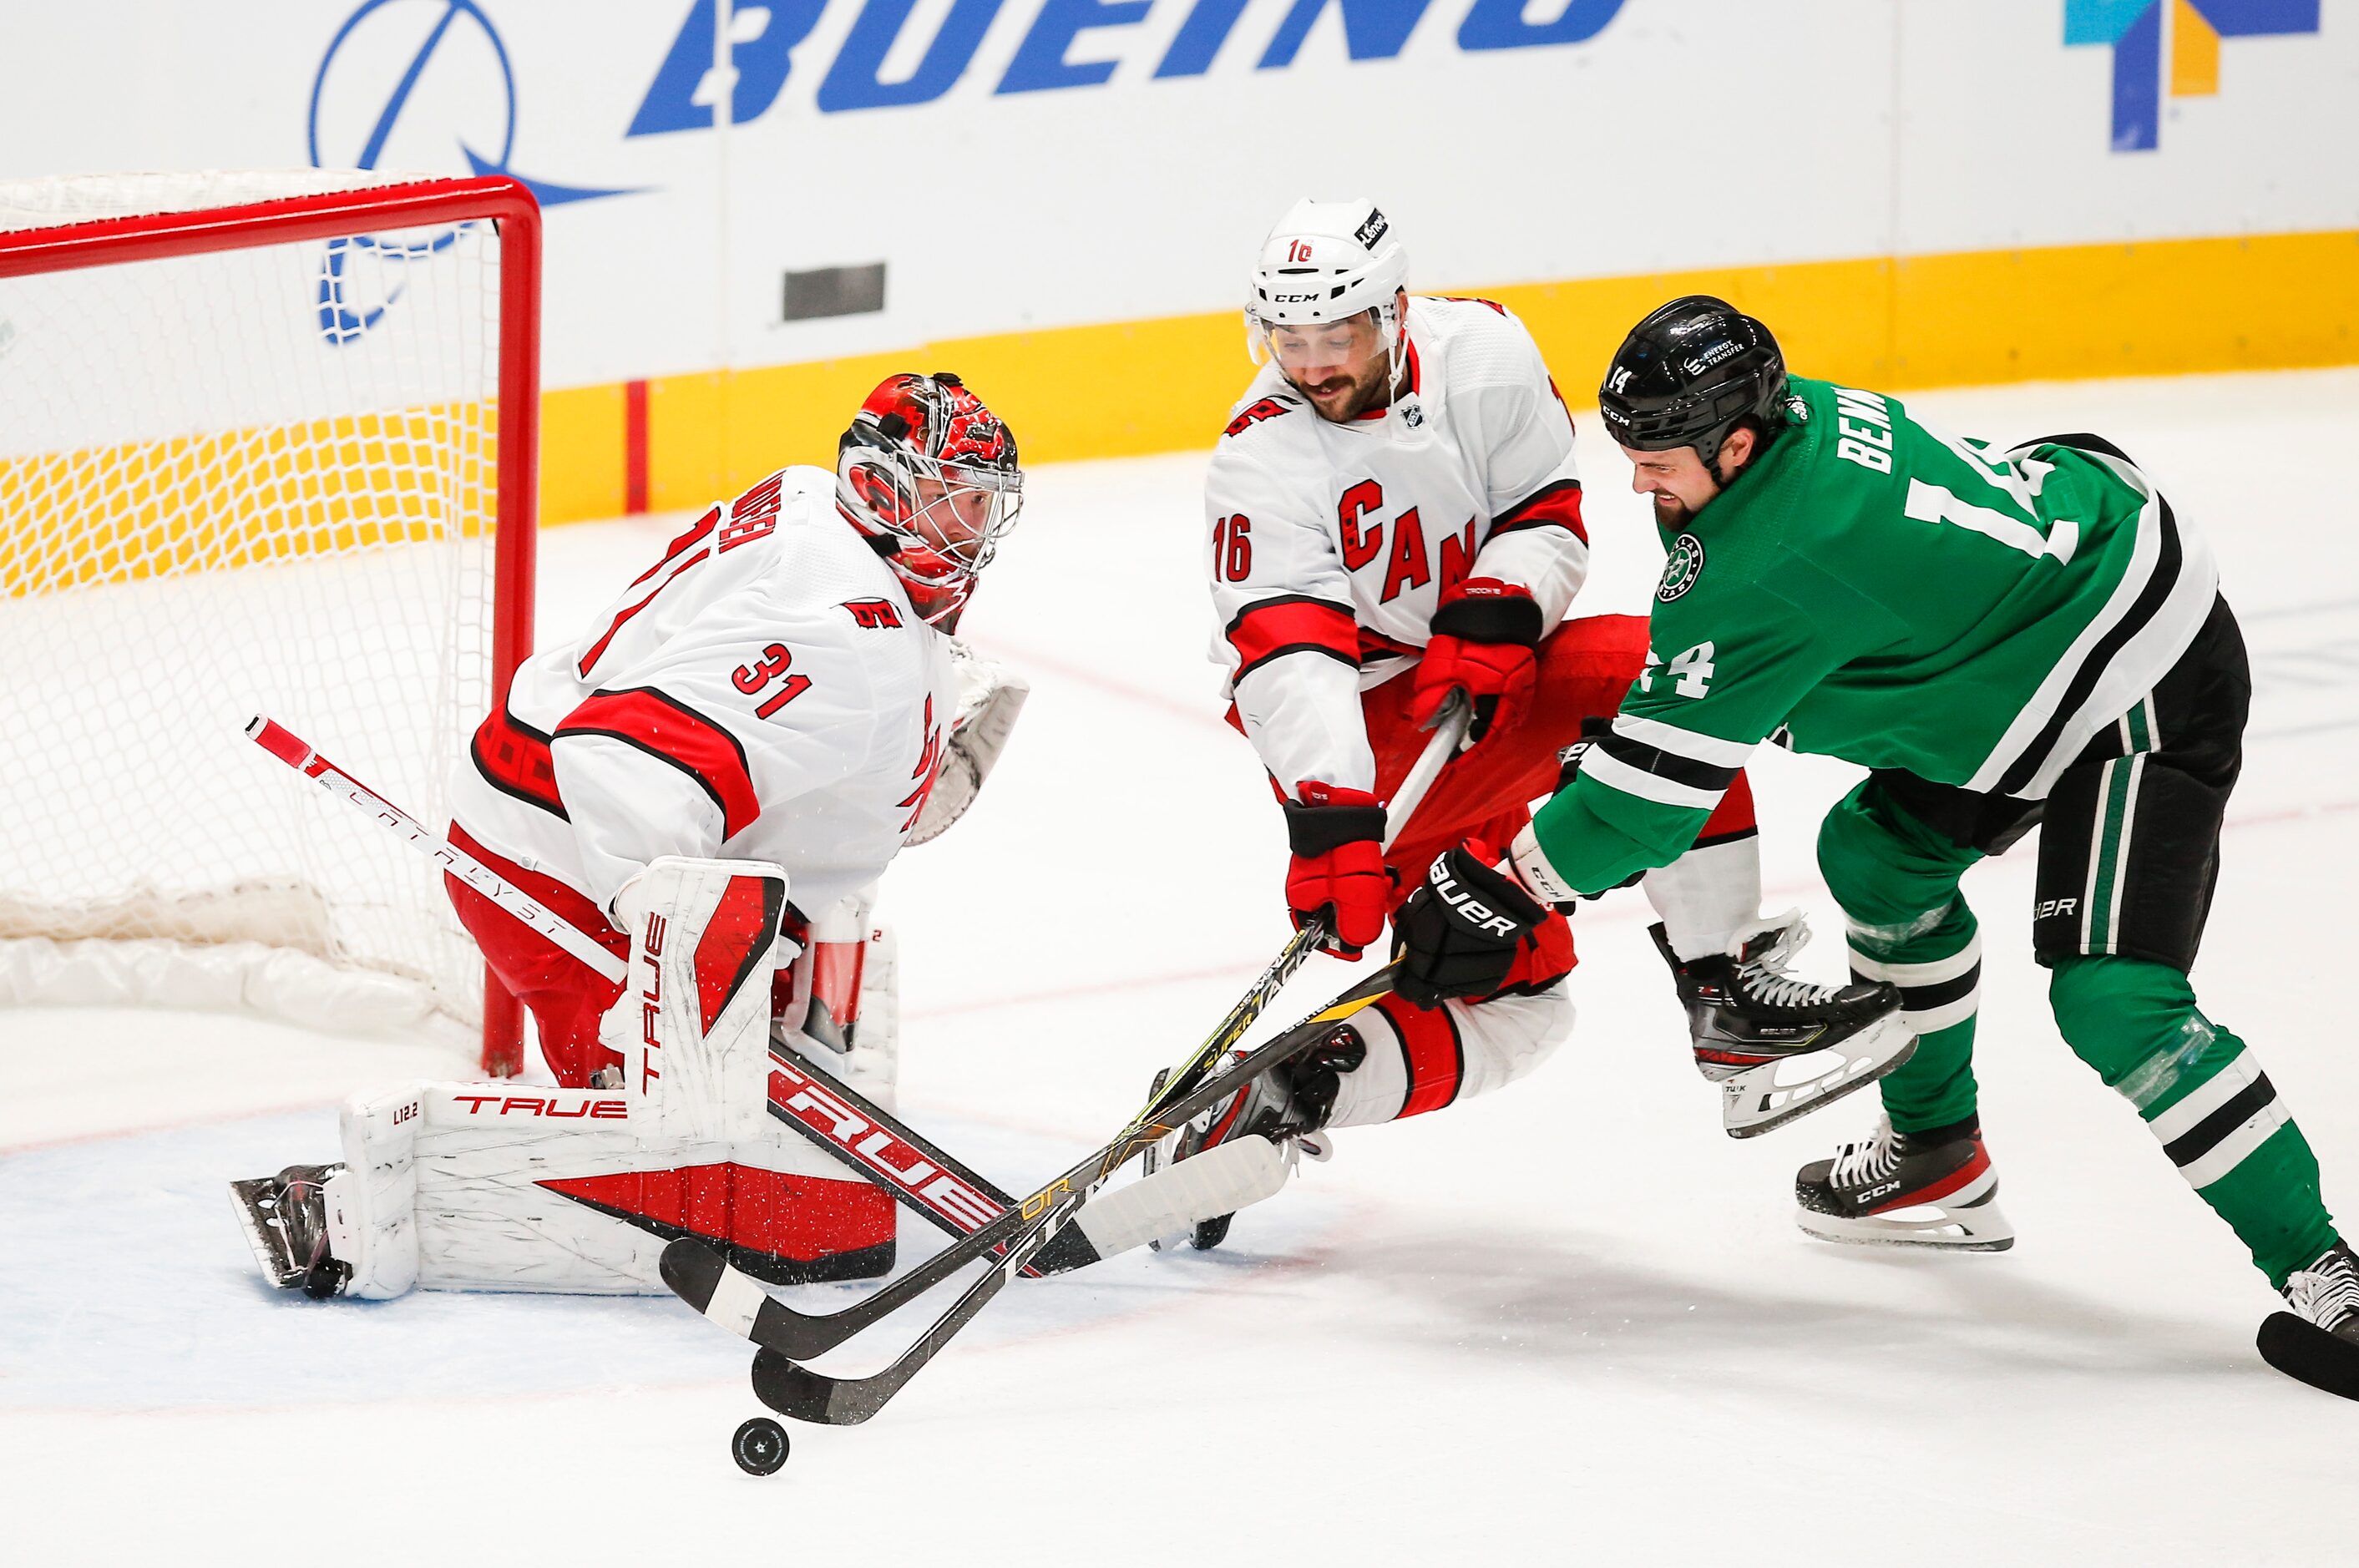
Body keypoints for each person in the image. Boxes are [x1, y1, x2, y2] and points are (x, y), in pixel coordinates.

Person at [1405, 294, 2356, 1387]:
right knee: (1877, 860)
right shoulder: (1783, 433)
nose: (1636, 483)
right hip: (2052, 610)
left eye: (1656, 458)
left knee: (2113, 998)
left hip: (2137, 681)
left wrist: (1502, 885)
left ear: (1740, 439)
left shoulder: (1772, 552)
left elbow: (1650, 800)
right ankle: (1935, 1157)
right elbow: (1716, 694)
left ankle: (2328, 1275)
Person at [1160, 204, 1908, 1243]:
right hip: (1370, 725)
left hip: (1492, 683)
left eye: (1336, 337)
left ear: (1394, 312)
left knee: (1649, 677)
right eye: (1288, 339)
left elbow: (1542, 512)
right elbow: (1290, 657)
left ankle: (1721, 986)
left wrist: (1502, 605)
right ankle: (1292, 1089)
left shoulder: (1483, 354)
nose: (1312, 364)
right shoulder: (1258, 457)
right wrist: (1330, 818)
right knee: (1518, 996)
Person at [230, 373, 1031, 1297]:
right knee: (672, 1144)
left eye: (983, 502)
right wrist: (671, 976)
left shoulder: (817, 501)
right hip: (556, 862)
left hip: (552, 796)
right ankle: (351, 1208)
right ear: (887, 492)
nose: (979, 526)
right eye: (960, 499)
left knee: (758, 1141)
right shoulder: (846, 640)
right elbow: (622, 764)